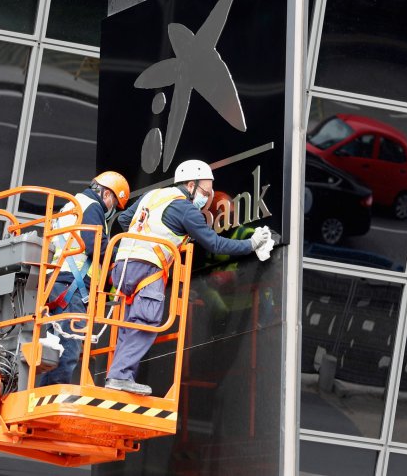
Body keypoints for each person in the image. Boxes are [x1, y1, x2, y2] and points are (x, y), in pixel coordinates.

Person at [104, 159, 273, 395]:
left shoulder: (154, 196)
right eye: (205, 191)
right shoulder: (185, 209)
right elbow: (214, 243)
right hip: (148, 267)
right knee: (146, 321)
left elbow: (124, 220)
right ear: (190, 185)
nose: (207, 197)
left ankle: (119, 376)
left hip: (124, 265)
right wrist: (251, 244)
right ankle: (120, 376)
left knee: (129, 322)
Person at [40, 171, 130, 387]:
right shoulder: (93, 206)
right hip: (72, 286)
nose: (111, 210)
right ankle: (53, 395)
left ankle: (46, 392)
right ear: (106, 194)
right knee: (69, 348)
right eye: (114, 204)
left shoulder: (74, 204)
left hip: (59, 282)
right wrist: (122, 254)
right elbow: (94, 245)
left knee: (56, 348)